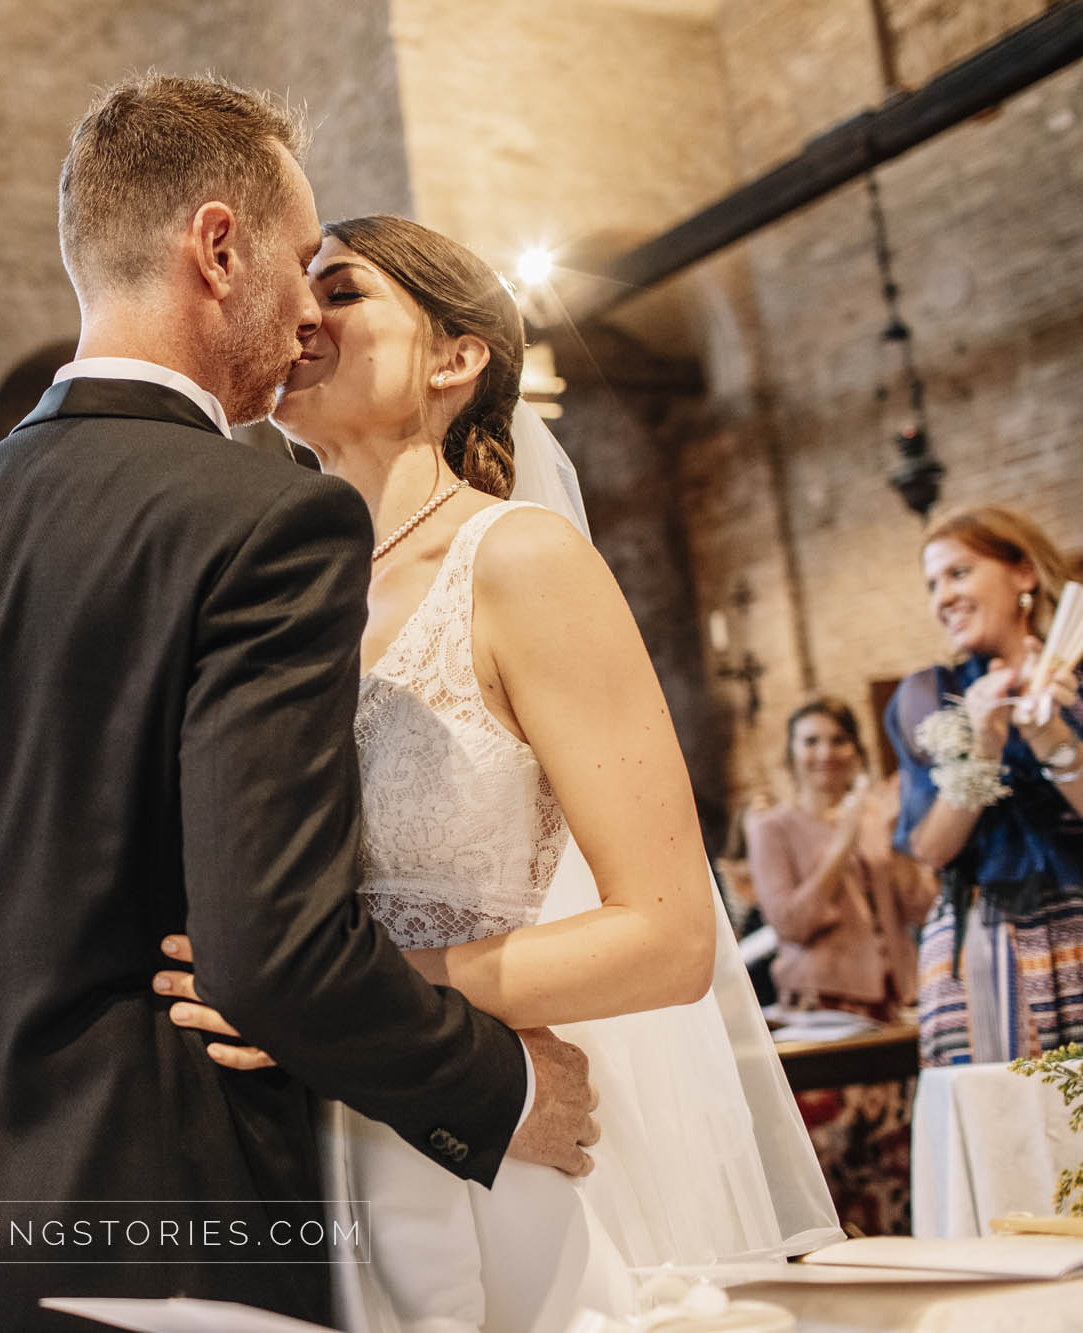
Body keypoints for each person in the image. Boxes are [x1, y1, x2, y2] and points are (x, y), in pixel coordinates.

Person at [0, 74, 597, 1333]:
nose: (302, 320)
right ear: (217, 249)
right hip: (167, 1230)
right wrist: (496, 1091)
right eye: (296, 266)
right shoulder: (267, 522)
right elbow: (265, 951)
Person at [159, 216, 839, 1331]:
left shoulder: (519, 561)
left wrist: (345, 999)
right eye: (298, 289)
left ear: (453, 357)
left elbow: (667, 935)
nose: (301, 315)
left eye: (343, 291)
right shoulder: (263, 586)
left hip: (470, 1137)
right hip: (273, 1150)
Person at [886, 504, 1083, 1066]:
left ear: (1023, 573)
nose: (940, 597)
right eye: (932, 584)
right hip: (985, 940)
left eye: (958, 573)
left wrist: (1051, 738)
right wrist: (985, 747)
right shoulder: (929, 693)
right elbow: (931, 847)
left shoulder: (1078, 685)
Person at [747, 698, 934, 1235]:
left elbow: (920, 907)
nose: (825, 752)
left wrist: (897, 844)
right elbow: (790, 923)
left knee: (901, 1163)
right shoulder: (772, 827)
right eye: (811, 740)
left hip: (893, 1011)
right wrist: (843, 840)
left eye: (838, 740)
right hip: (825, 1018)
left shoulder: (876, 820)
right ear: (792, 753)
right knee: (836, 1168)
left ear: (856, 752)